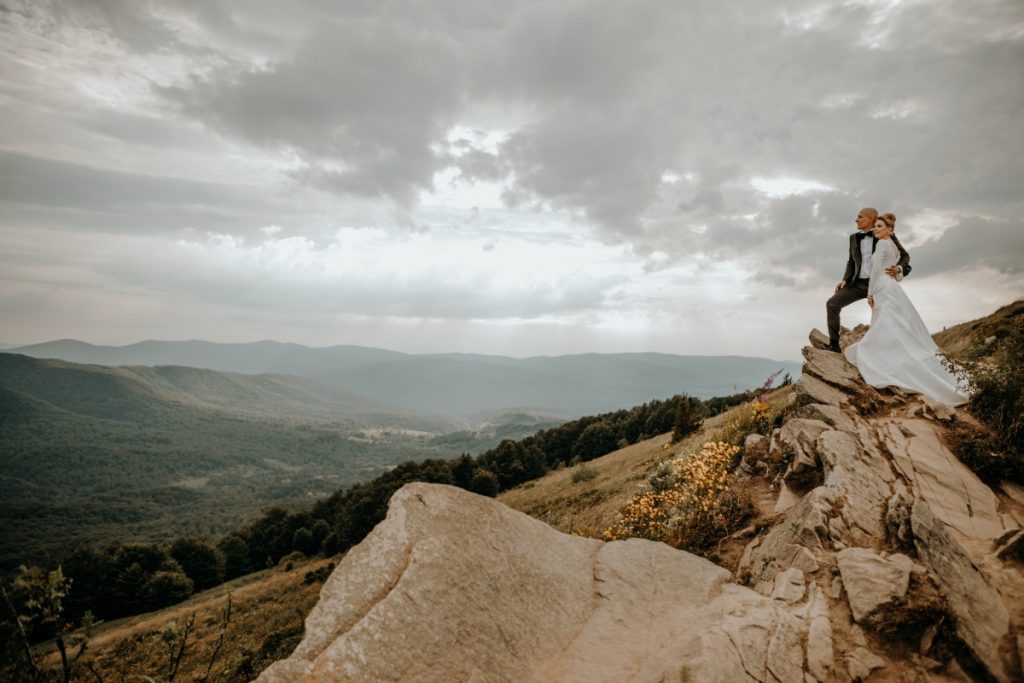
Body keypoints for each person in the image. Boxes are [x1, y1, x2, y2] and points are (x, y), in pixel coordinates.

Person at [844, 213, 967, 405]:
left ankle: (890, 358)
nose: (876, 229)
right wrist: (895, 275)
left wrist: (870, 293)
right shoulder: (890, 245)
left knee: (887, 323)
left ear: (890, 230)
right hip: (892, 287)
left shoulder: (884, 244)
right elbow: (888, 265)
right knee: (895, 323)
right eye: (875, 226)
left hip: (882, 287)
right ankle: (896, 353)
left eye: (879, 226)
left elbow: (877, 271)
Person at [825, 207, 911, 353]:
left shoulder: (884, 234)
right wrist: (845, 279)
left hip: (879, 284)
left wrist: (899, 269)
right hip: (857, 284)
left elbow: (904, 256)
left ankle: (889, 350)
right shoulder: (853, 238)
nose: (856, 220)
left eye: (860, 217)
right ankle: (834, 345)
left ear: (871, 219)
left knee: (884, 318)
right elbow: (851, 261)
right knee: (832, 304)